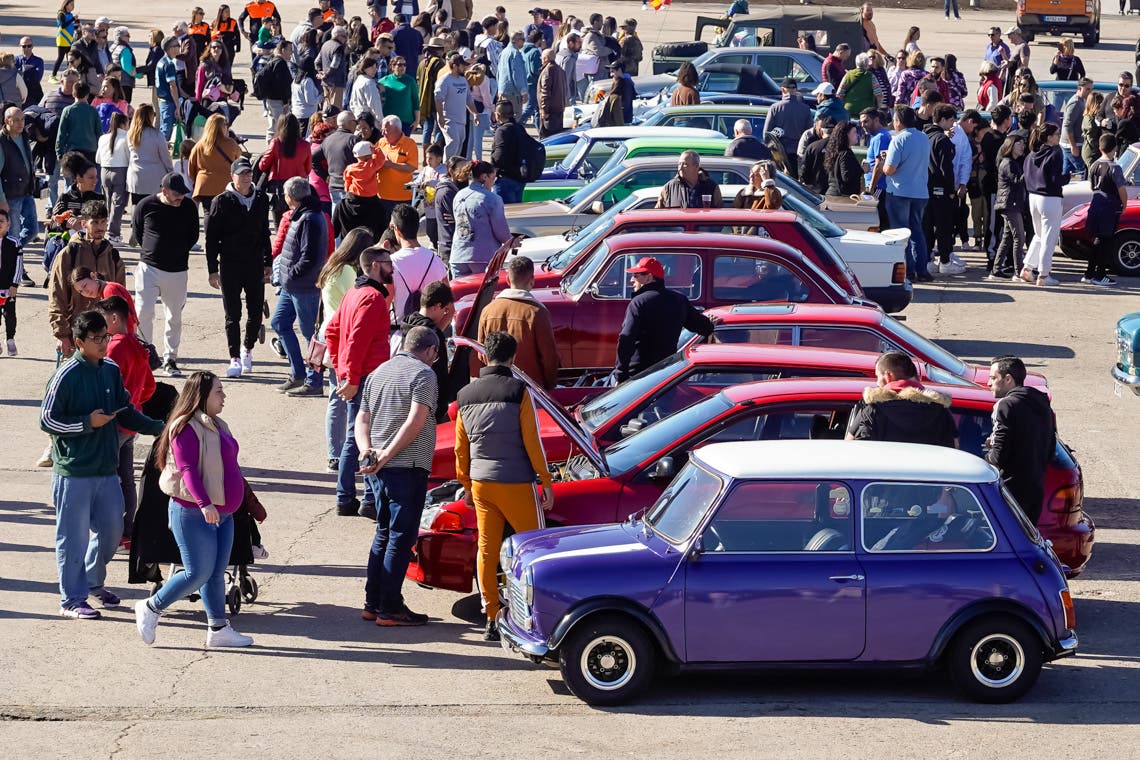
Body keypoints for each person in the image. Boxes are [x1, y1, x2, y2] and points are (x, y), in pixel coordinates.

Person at [42, 308, 164, 620]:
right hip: (74, 472)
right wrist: (87, 423)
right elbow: (47, 419)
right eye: (96, 338)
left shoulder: (110, 369)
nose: (102, 343)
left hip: (106, 469)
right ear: (79, 342)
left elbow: (125, 409)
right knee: (73, 538)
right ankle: (71, 599)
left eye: (104, 336)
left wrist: (160, 427)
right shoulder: (65, 376)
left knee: (112, 531)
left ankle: (94, 583)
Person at [132, 370, 254, 647]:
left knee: (216, 571)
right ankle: (151, 607)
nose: (224, 396)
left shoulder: (217, 424)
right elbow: (187, 469)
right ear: (201, 396)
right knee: (196, 572)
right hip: (193, 512)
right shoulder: (185, 427)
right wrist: (205, 503)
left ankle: (218, 628)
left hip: (224, 513)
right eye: (218, 392)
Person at [455, 330, 553, 641]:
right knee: (532, 549)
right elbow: (532, 442)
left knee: (487, 549)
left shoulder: (464, 396)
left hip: (482, 483)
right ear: (512, 358)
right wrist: (546, 479)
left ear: (484, 357)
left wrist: (467, 485)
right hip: (516, 481)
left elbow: (461, 449)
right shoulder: (518, 390)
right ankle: (534, 615)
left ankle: (491, 616)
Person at [356, 325, 439, 626]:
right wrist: (387, 455)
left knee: (383, 533)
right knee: (400, 538)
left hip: (378, 467)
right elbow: (415, 422)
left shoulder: (379, 372)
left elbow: (362, 418)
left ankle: (373, 601)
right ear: (430, 351)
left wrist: (369, 452)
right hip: (407, 466)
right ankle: (389, 607)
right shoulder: (424, 375)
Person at [325, 243, 392, 517]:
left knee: (356, 435)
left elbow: (332, 332)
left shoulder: (355, 293)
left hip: (359, 375)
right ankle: (363, 500)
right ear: (375, 266)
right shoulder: (372, 298)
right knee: (363, 436)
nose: (392, 268)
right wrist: (350, 377)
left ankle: (349, 498)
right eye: (388, 263)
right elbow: (356, 340)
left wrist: (342, 370)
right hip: (368, 377)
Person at [95, 295, 154, 549]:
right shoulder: (136, 345)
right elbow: (150, 387)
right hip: (132, 422)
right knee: (126, 479)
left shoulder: (113, 348)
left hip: (113, 424)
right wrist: (136, 403)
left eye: (103, 319)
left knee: (105, 479)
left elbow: (101, 385)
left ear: (115, 318)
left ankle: (111, 532)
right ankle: (127, 532)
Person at [205, 158, 272, 377]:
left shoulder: (261, 198)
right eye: (241, 173)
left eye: (248, 173)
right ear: (232, 176)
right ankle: (234, 357)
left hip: (254, 263)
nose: (246, 177)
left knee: (255, 312)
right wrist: (212, 269)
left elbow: (265, 233)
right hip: (230, 264)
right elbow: (212, 239)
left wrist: (268, 262)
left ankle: (247, 349)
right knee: (233, 313)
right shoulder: (221, 201)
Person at [132, 172, 199, 378]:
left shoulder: (188, 207)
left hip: (178, 271)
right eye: (177, 194)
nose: (181, 198)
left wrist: (176, 252)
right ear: (164, 191)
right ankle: (145, 359)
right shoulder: (146, 205)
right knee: (143, 313)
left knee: (174, 316)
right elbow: (137, 231)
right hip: (149, 268)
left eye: (183, 194)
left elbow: (193, 235)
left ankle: (170, 359)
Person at [615, 256, 713, 383]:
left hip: (638, 374)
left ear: (649, 277)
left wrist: (620, 375)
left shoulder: (638, 302)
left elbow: (626, 340)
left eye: (636, 275)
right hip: (665, 373)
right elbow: (704, 327)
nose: (632, 280)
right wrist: (710, 323)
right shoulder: (679, 300)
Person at [984, 356, 1056, 524]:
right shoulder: (1042, 403)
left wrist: (986, 456)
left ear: (1008, 379)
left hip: (1011, 493)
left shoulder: (1006, 406)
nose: (988, 383)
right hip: (1035, 491)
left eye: (993, 378)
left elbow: (998, 457)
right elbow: (1050, 448)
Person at [49, 200, 126, 356]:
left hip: (106, 335)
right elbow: (57, 295)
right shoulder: (69, 254)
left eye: (103, 222)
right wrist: (62, 335)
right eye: (95, 222)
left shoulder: (113, 256)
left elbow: (120, 299)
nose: (100, 227)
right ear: (84, 223)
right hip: (77, 332)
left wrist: (121, 334)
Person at [477, 255, 559, 389]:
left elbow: (481, 353)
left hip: (496, 385)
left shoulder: (488, 310)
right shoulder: (537, 313)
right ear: (532, 281)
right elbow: (549, 358)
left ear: (508, 280)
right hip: (530, 389)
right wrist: (550, 386)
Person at [845, 351, 956, 446]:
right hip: (928, 471)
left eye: (878, 376)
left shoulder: (872, 409)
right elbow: (952, 449)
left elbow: (855, 448)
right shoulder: (940, 411)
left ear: (888, 376)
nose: (877, 382)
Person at [882, 106, 932, 282]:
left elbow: (889, 169)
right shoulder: (923, 137)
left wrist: (883, 162)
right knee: (917, 231)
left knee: (900, 233)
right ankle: (922, 269)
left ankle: (908, 270)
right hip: (920, 192)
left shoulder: (898, 139)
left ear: (898, 121)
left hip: (900, 191)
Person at [1022, 123, 1069, 286]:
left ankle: (1027, 268)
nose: (1058, 136)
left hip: (1033, 197)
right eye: (1057, 134)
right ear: (1049, 137)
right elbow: (1056, 180)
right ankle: (1044, 274)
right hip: (1050, 198)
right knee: (1049, 238)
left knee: (1039, 235)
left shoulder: (1031, 154)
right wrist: (1067, 177)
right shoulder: (1054, 154)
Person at [400, 280, 455, 423]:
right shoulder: (434, 335)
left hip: (406, 398)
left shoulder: (407, 324)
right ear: (438, 306)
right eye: (445, 310)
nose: (445, 314)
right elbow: (440, 374)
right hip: (430, 408)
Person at [1082, 133, 1128, 286]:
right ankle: (1100, 274)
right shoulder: (1115, 168)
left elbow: (1091, 186)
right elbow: (1121, 189)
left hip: (1096, 205)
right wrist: (1125, 205)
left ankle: (1089, 273)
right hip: (1109, 207)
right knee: (1106, 242)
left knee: (1096, 240)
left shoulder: (1094, 165)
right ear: (1114, 148)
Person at [451, 160, 511, 276]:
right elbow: (501, 232)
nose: (493, 183)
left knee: (460, 293)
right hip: (483, 256)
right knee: (484, 293)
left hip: (458, 254)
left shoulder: (459, 195)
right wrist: (511, 241)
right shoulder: (492, 199)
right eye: (493, 178)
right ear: (484, 177)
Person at [924, 104, 961, 277]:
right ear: (944, 120)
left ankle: (928, 260)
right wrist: (951, 189)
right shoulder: (942, 140)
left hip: (926, 188)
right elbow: (946, 167)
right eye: (952, 120)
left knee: (928, 225)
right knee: (944, 226)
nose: (953, 123)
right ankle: (945, 261)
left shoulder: (926, 136)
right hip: (941, 189)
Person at [259, 113, 312, 225]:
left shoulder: (276, 143)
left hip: (278, 187)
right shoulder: (305, 145)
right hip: (299, 185)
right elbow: (308, 169)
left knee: (279, 223)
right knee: (297, 222)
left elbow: (263, 165)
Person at [991, 134, 1029, 281]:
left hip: (1010, 203)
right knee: (1019, 237)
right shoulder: (1008, 163)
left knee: (1008, 238)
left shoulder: (1013, 162)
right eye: (1019, 144)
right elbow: (1017, 181)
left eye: (1023, 143)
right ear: (1010, 146)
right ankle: (1018, 271)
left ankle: (995, 270)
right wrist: (1029, 169)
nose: (1022, 146)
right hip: (1009, 204)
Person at [188, 113, 242, 211]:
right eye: (225, 125)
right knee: (227, 215)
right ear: (221, 127)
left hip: (205, 186)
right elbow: (238, 161)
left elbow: (191, 168)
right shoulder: (230, 143)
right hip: (226, 185)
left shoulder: (200, 145)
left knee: (208, 213)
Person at [0, 107, 35, 250]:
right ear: (6, 121)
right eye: (16, 120)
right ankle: (13, 263)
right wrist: (2, 200)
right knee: (13, 234)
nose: (21, 123)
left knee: (32, 231)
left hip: (27, 192)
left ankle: (13, 254)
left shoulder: (24, 136)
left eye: (22, 119)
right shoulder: (2, 142)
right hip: (10, 196)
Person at [126, 104, 174, 207]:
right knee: (153, 206)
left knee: (137, 205)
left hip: (136, 175)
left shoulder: (130, 134)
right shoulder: (157, 134)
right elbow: (165, 157)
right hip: (154, 177)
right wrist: (171, 171)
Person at [764, 78, 812, 178]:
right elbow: (809, 134)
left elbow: (766, 135)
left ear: (783, 90)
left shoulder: (775, 108)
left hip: (780, 156)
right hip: (799, 154)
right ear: (795, 90)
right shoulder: (805, 109)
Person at [94, 111, 129, 244]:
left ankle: (103, 229)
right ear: (123, 124)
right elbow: (130, 157)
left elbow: (98, 158)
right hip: (121, 171)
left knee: (107, 203)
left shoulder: (103, 138)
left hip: (104, 170)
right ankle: (114, 234)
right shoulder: (126, 137)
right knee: (118, 204)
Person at [376, 115, 418, 226]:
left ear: (397, 130)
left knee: (401, 232)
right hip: (381, 196)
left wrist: (391, 165)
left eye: (386, 130)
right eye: (382, 129)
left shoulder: (410, 144)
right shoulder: (381, 142)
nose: (383, 132)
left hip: (402, 198)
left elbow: (411, 167)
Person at [434, 52, 476, 159]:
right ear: (454, 66)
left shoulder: (463, 80)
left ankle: (454, 171)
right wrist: (441, 117)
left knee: (458, 147)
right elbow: (438, 99)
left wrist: (475, 114)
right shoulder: (444, 80)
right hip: (449, 119)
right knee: (453, 143)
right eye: (462, 65)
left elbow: (469, 100)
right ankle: (446, 170)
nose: (464, 67)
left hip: (461, 120)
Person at [488, 100, 528, 204]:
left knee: (505, 213)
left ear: (498, 115)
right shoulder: (519, 128)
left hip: (505, 179)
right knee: (516, 211)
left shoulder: (502, 131)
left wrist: (492, 170)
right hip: (519, 177)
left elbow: (498, 155)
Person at [656, 150, 723, 210]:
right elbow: (658, 214)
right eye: (679, 164)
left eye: (685, 165)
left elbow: (720, 214)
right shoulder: (669, 188)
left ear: (696, 166)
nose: (680, 168)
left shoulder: (711, 187)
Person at [56, 82, 101, 167]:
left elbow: (61, 133)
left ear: (73, 93)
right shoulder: (93, 111)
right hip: (91, 150)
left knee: (75, 178)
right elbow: (99, 132)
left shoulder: (68, 110)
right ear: (87, 95)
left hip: (73, 150)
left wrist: (59, 152)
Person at [435, 155, 468, 264]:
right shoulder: (447, 192)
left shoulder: (459, 187)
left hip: (457, 243)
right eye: (462, 168)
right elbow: (462, 220)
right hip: (449, 247)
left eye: (467, 168)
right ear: (451, 170)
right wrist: (462, 217)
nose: (466, 171)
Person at [1060, 78, 1092, 181]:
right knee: (1081, 170)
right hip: (1070, 144)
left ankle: (1064, 189)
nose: (1090, 92)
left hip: (1072, 143)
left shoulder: (1081, 100)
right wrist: (1073, 146)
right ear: (1079, 88)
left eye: (1091, 89)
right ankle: (1079, 192)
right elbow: (1067, 125)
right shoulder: (1075, 103)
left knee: (1066, 171)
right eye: (1087, 89)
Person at [0, 210, 22, 355]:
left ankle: (10, 340)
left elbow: (19, 265)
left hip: (8, 287)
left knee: (10, 315)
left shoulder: (14, 243)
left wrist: (14, 284)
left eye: (1, 221)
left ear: (8, 223)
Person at [380, 56, 419, 134]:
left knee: (403, 144)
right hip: (389, 119)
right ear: (393, 66)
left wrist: (417, 120)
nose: (403, 67)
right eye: (400, 64)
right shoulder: (384, 80)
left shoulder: (410, 80)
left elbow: (416, 101)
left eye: (404, 65)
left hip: (406, 120)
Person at [153, 37, 182, 139]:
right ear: (170, 48)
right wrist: (177, 106)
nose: (179, 47)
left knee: (164, 129)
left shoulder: (161, 61)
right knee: (167, 132)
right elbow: (172, 85)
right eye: (177, 45)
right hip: (169, 102)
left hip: (162, 101)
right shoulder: (169, 64)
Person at [825, 121, 862, 197]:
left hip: (833, 193)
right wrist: (862, 170)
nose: (857, 135)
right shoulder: (845, 153)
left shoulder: (835, 151)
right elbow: (846, 177)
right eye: (854, 132)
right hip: (841, 197)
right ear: (846, 135)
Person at [536, 47, 566, 138]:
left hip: (550, 111)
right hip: (559, 109)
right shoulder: (560, 69)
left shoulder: (548, 70)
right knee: (556, 136)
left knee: (547, 138)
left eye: (542, 58)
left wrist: (544, 109)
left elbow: (545, 92)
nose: (541, 60)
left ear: (545, 58)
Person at [53, 1, 80, 80]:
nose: (73, 6)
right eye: (71, 4)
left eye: (73, 5)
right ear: (66, 5)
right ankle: (53, 76)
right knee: (60, 58)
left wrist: (76, 25)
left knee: (70, 58)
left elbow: (70, 27)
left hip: (69, 40)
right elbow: (63, 25)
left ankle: (69, 75)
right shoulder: (61, 14)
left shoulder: (70, 15)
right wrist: (72, 19)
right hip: (62, 40)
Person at [16, 37, 45, 108]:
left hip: (33, 93)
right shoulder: (15, 60)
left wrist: (21, 71)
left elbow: (37, 78)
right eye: (24, 46)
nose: (26, 48)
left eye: (29, 46)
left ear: (32, 46)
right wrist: (30, 70)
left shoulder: (39, 61)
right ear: (20, 46)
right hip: (18, 93)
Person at [1003, 27, 1030, 96]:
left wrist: (1019, 79)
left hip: (1016, 79)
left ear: (1016, 34)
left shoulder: (1023, 46)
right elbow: (1013, 63)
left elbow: (1024, 65)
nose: (1008, 37)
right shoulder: (1017, 46)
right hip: (1011, 77)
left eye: (1009, 34)